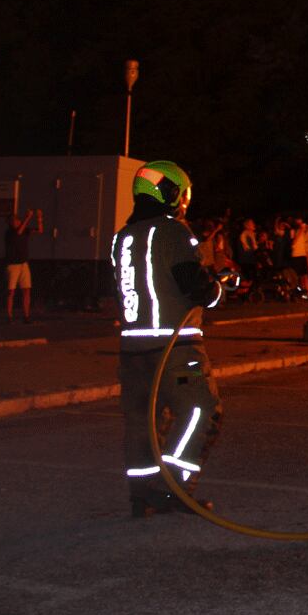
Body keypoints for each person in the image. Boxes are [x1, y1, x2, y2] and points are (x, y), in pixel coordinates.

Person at [112, 160, 224, 518]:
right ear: (173, 192)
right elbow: (196, 287)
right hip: (175, 348)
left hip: (133, 350)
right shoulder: (173, 231)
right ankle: (174, 487)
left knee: (143, 422)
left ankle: (142, 493)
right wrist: (219, 286)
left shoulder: (122, 237)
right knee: (202, 410)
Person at [4, 208, 43, 323]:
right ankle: (9, 316)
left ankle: (26, 316)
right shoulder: (9, 233)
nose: (17, 222)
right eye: (15, 221)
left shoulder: (24, 230)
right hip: (13, 265)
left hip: (23, 264)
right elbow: (18, 232)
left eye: (17, 220)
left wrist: (39, 218)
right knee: (11, 291)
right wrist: (27, 218)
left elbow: (40, 231)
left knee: (26, 290)